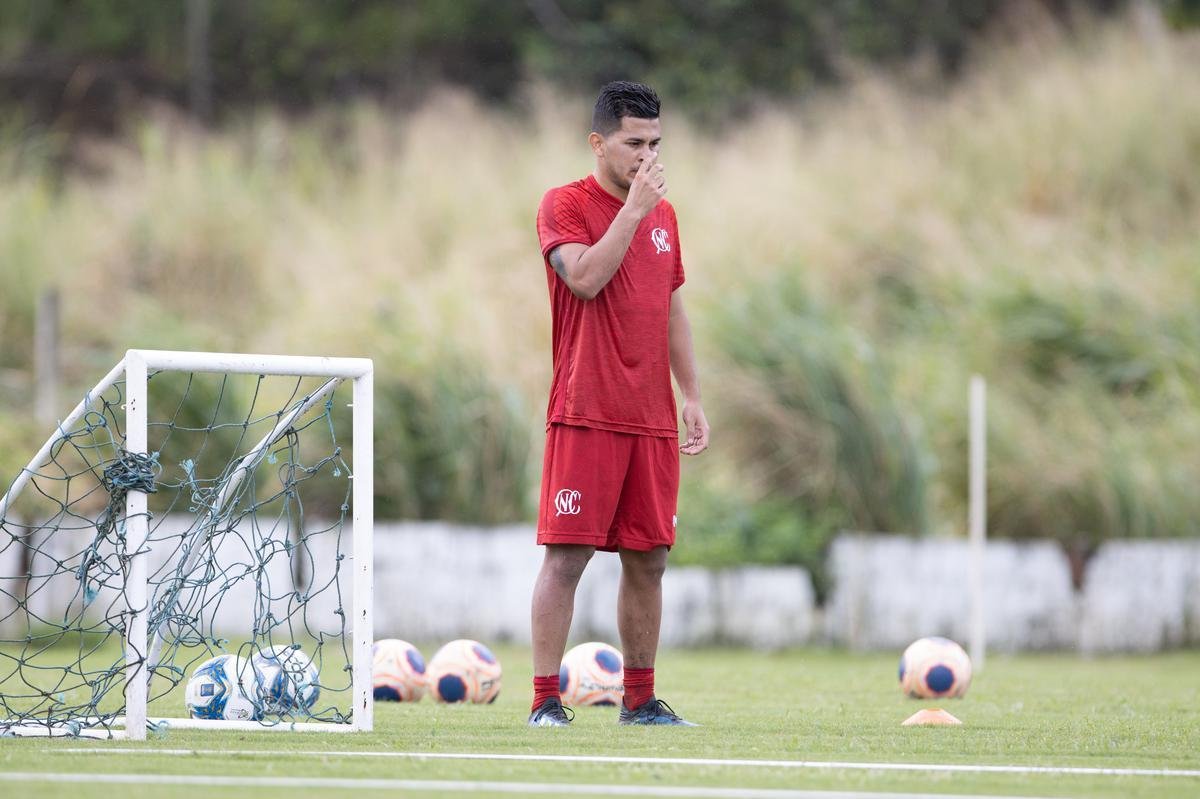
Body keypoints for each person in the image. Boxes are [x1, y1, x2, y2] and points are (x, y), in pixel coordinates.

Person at [528, 80, 709, 727]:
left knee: (650, 559)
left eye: (656, 142)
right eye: (635, 142)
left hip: (651, 418)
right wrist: (632, 210)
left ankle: (640, 700)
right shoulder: (565, 204)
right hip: (586, 410)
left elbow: (673, 308)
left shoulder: (666, 215)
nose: (647, 155)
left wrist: (690, 394)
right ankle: (545, 699)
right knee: (568, 554)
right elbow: (583, 279)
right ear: (599, 142)